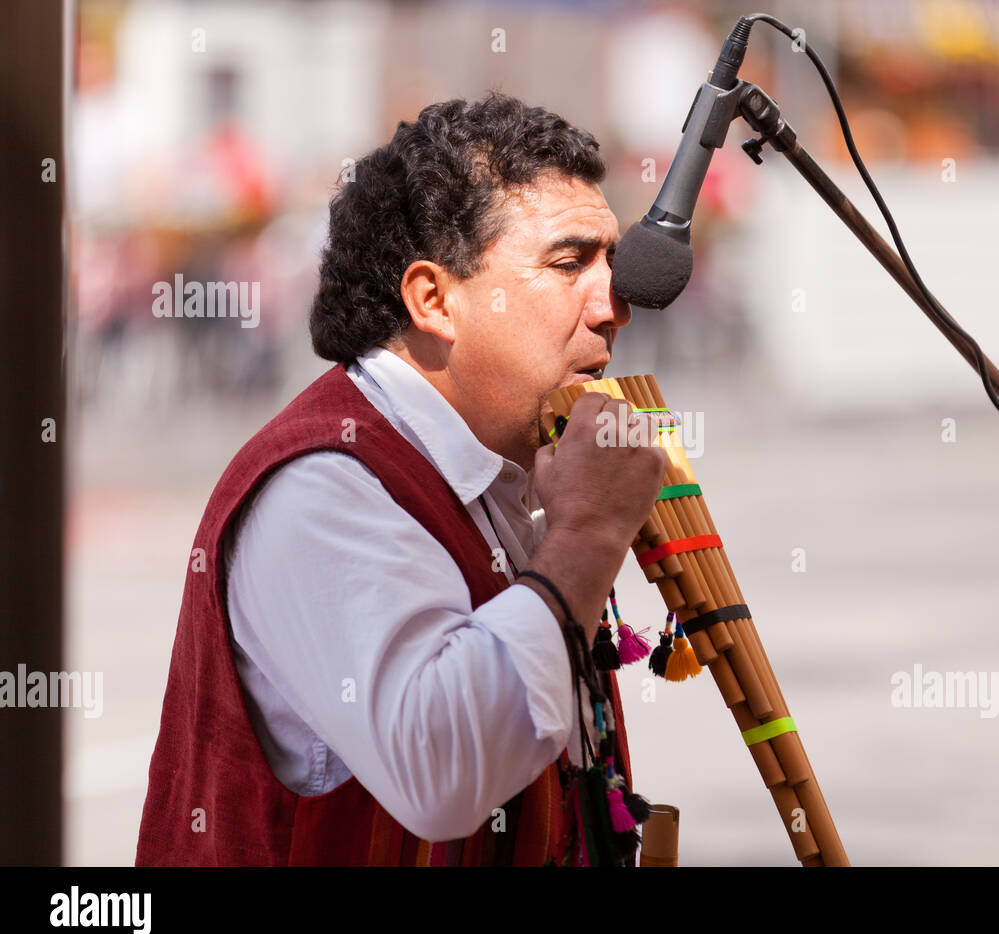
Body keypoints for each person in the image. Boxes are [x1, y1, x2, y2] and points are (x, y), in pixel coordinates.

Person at [136, 93, 667, 866]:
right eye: (569, 263)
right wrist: (586, 536)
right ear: (434, 300)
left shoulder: (505, 473)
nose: (613, 304)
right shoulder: (321, 486)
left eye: (609, 261)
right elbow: (442, 772)